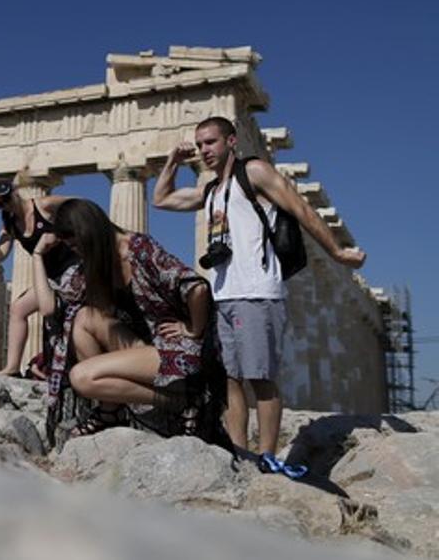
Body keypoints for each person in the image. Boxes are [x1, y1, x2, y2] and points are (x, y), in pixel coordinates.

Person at [153, 116, 366, 475]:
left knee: (260, 377)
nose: (205, 150)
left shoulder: (254, 172)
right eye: (200, 144)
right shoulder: (210, 191)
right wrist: (173, 161)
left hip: (256, 292)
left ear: (231, 142)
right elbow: (160, 199)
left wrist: (337, 253)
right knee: (230, 379)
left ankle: (266, 457)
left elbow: (300, 208)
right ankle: (240, 454)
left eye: (211, 142)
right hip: (222, 294)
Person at [34, 199, 229, 445]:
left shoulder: (139, 248)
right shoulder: (97, 265)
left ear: (88, 233)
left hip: (178, 351)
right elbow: (49, 306)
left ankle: (180, 401)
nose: (76, 252)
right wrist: (37, 255)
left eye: (76, 245)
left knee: (82, 377)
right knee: (83, 317)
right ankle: (110, 410)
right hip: (144, 348)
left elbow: (197, 288)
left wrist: (193, 329)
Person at [0, 179, 75, 376]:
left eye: (6, 199)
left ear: (15, 192)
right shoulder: (11, 224)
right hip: (51, 277)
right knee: (18, 309)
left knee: (53, 313)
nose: (5, 205)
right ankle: (13, 367)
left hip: (73, 268)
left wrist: (65, 230)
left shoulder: (44, 205)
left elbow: (79, 205)